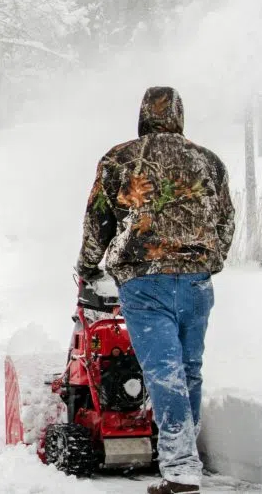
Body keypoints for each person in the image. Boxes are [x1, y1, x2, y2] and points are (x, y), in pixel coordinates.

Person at [76, 87, 235, 494]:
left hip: (145, 282)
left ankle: (181, 467)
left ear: (143, 115)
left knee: (164, 371)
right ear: (180, 115)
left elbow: (98, 221)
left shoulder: (120, 159)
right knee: (189, 369)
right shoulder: (209, 161)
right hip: (197, 281)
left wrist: (87, 267)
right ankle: (184, 456)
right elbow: (226, 221)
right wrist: (207, 261)